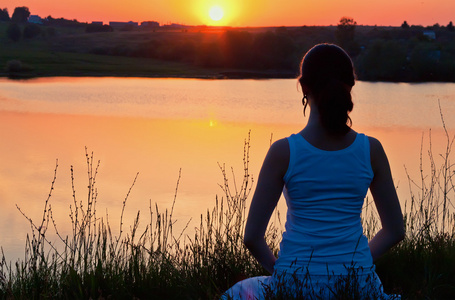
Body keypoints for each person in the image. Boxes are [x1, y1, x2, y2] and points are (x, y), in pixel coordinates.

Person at [222, 44, 405, 299]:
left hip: (295, 284)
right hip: (359, 284)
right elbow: (395, 230)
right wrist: (356, 263)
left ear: (304, 87)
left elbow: (252, 237)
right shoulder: (371, 150)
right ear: (350, 86)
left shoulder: (284, 152)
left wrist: (286, 271)